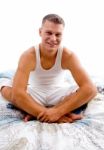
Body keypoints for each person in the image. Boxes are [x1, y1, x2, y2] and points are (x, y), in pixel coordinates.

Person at [0, 14, 97, 123]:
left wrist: (57, 112)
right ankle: (46, 113)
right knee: (5, 86)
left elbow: (91, 89)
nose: (53, 39)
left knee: (87, 90)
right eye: (49, 33)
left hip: (58, 93)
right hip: (35, 93)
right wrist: (55, 116)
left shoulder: (68, 55)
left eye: (58, 34)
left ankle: (34, 112)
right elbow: (18, 94)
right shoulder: (28, 55)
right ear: (40, 32)